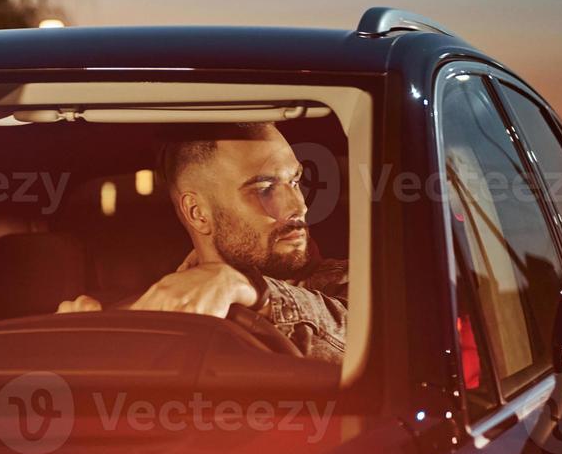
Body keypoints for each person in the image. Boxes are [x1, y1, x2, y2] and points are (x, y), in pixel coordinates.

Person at [57, 123, 348, 362]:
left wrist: (249, 291)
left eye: (294, 181)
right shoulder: (141, 316)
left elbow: (377, 340)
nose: (298, 207)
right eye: (264, 189)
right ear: (198, 214)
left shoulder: (353, 286)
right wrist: (79, 349)